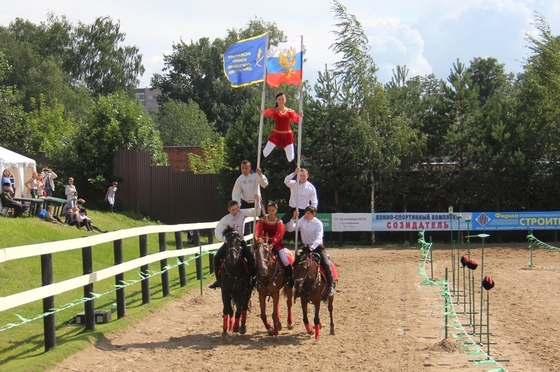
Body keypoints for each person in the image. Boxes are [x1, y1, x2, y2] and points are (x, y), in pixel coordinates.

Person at [286, 205, 336, 297]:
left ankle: (330, 286)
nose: (306, 214)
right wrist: (293, 218)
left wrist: (312, 247)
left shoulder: (318, 223)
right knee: (297, 263)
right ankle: (294, 283)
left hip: (317, 247)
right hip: (306, 247)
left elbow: (319, 237)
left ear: (313, 214)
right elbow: (290, 229)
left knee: (326, 264)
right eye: (305, 212)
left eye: (308, 213)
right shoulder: (302, 220)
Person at [208, 200, 257, 290]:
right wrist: (226, 240)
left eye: (236, 209)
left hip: (240, 242)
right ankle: (218, 281)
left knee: (250, 258)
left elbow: (256, 212)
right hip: (229, 243)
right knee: (216, 257)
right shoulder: (225, 220)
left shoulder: (242, 214)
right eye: (233, 209)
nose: (235, 211)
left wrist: (258, 200)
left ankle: (250, 280)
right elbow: (217, 232)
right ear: (229, 209)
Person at [255, 201, 293, 287]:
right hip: (263, 242)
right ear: (267, 210)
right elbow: (258, 231)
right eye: (269, 210)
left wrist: (273, 243)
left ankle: (290, 277)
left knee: (284, 259)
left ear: (276, 210)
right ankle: (253, 278)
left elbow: (279, 234)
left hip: (276, 244)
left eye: (273, 210)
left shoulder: (279, 222)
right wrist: (261, 240)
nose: (271, 212)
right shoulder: (262, 220)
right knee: (255, 259)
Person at [261, 92, 302, 162]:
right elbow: (267, 112)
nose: (281, 101)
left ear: (285, 100)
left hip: (287, 136)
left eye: (282, 99)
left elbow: (296, 119)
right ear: (276, 100)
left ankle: (295, 172)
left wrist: (300, 116)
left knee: (291, 157)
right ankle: (254, 167)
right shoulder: (274, 111)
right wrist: (263, 112)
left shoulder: (290, 111)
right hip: (276, 135)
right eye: (279, 99)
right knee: (265, 152)